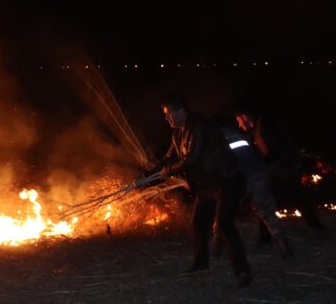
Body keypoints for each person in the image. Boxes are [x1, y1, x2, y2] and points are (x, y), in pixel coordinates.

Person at [136, 95, 251, 288]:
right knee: (198, 224)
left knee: (224, 224)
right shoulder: (177, 134)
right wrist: (146, 177)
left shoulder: (200, 126)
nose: (166, 119)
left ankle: (242, 271)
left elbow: (192, 158)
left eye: (168, 114)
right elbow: (168, 159)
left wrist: (169, 171)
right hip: (206, 185)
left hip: (227, 180)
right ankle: (200, 264)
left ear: (181, 111)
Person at [234, 109, 326, 243]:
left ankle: (268, 238)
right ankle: (316, 228)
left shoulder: (265, 127)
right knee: (292, 199)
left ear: (245, 117)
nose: (239, 126)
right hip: (281, 170)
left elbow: (274, 151)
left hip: (284, 170)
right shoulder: (256, 130)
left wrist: (267, 166)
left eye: (239, 121)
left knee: (270, 201)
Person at [211, 115, 293, 259]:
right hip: (258, 173)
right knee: (267, 212)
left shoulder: (216, 136)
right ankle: (285, 248)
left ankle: (217, 249)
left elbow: (221, 162)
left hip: (242, 177)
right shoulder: (235, 133)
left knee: (223, 213)